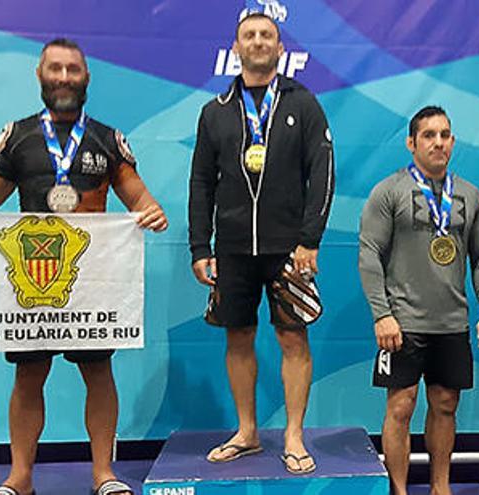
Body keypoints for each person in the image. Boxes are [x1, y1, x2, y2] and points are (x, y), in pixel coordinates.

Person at [0, 38, 167, 495]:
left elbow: (139, 198)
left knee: (97, 373)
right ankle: (20, 478)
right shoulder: (19, 137)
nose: (65, 78)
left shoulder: (108, 139)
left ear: (87, 77)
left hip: (91, 281)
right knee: (29, 374)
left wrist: (152, 211)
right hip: (32, 282)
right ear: (40, 75)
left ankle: (103, 475)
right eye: (56, 69)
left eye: (73, 69)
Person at [187, 12, 334, 475]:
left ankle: (293, 435)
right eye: (249, 35)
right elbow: (200, 183)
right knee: (239, 335)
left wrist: (310, 240)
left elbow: (323, 173)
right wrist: (199, 246)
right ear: (236, 47)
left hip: (289, 247)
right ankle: (247, 432)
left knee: (293, 337)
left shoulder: (304, 103)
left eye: (265, 35)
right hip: (231, 247)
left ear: (278, 45)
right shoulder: (215, 111)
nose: (257, 42)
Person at [359, 106, 479, 495]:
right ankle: (399, 491)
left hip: (451, 323)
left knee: (445, 406)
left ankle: (441, 488)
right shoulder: (389, 191)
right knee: (400, 407)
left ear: (452, 141)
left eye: (445, 135)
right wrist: (381, 315)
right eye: (429, 135)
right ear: (412, 142)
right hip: (401, 324)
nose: (438, 142)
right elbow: (369, 253)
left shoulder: (470, 196)